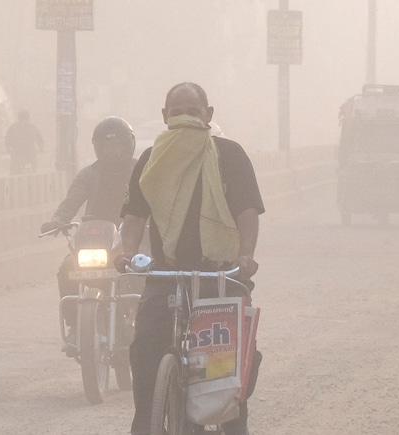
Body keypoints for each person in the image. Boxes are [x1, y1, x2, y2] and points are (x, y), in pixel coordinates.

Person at [115, 82, 264, 435]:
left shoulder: (230, 155)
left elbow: (247, 212)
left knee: (232, 364)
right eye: (177, 112)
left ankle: (233, 426)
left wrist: (246, 255)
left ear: (208, 115)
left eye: (192, 112)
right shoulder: (150, 161)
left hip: (221, 274)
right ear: (164, 116)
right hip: (167, 273)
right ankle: (145, 425)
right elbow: (134, 216)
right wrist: (128, 251)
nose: (184, 119)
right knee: (145, 347)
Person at [40, 116, 138, 352]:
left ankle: (141, 324)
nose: (112, 151)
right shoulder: (88, 174)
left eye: (117, 145)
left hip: (131, 238)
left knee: (145, 272)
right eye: (106, 146)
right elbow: (71, 201)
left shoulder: (140, 171)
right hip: (96, 239)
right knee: (66, 270)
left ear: (127, 145)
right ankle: (75, 325)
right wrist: (58, 220)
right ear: (98, 147)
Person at [5, 110, 44, 175]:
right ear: (28, 118)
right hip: (30, 154)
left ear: (18, 117)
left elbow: (7, 139)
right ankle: (33, 175)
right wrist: (41, 148)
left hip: (16, 154)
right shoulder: (32, 127)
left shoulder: (13, 127)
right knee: (34, 164)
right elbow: (40, 139)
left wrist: (7, 148)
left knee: (13, 168)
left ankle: (13, 177)